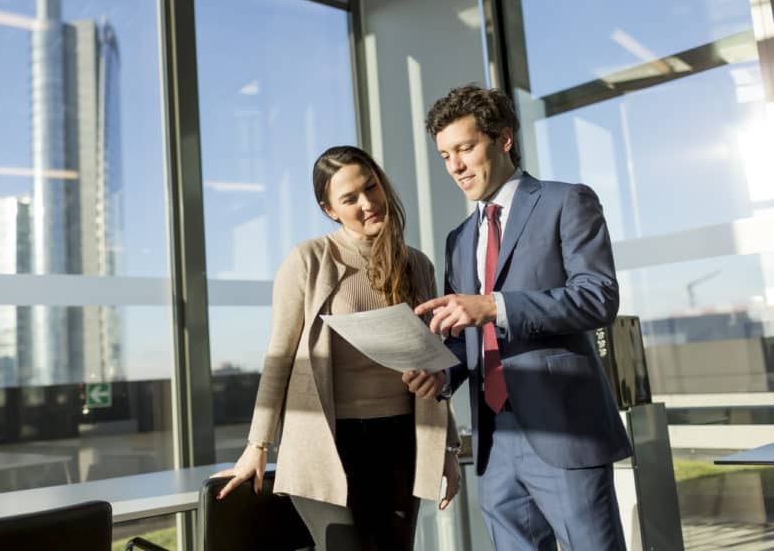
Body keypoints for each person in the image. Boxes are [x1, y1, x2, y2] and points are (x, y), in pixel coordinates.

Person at [404, 84, 632, 550]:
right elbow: (462, 338)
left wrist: (493, 306)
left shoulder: (566, 201)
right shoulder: (459, 239)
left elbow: (598, 297)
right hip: (493, 444)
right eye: (446, 155)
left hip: (564, 432)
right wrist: (439, 375)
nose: (456, 167)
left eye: (465, 148)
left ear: (503, 139)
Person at [214, 145, 461, 551]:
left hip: (401, 442)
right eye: (350, 198)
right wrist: (257, 445)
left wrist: (447, 449)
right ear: (330, 209)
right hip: (326, 443)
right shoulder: (308, 261)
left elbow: (431, 364)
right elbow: (279, 358)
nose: (367, 203)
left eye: (372, 187)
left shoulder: (417, 266)